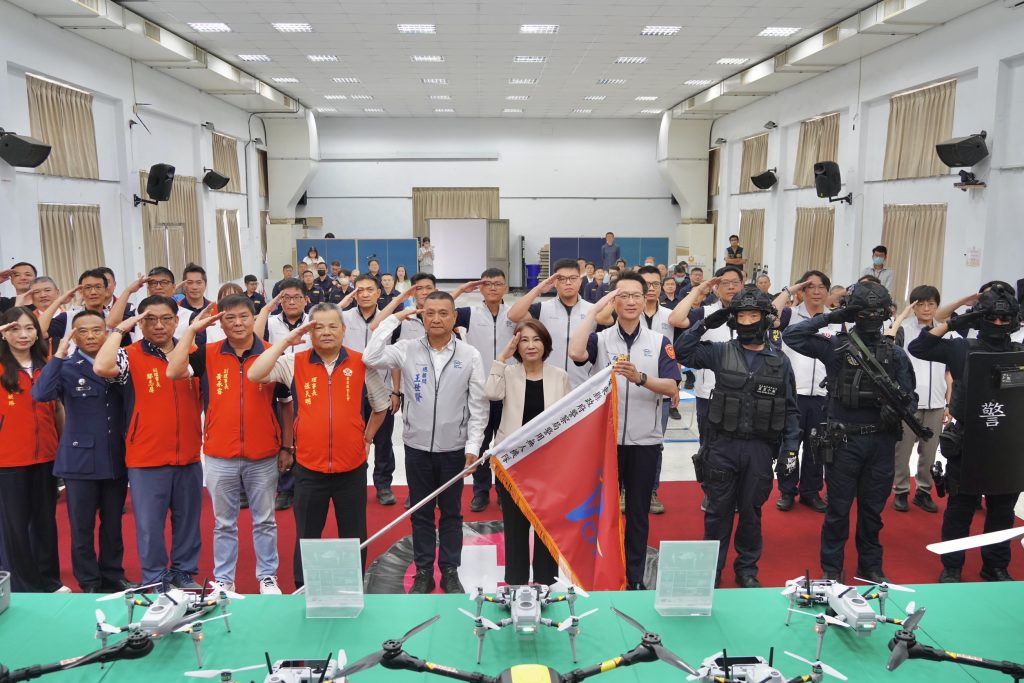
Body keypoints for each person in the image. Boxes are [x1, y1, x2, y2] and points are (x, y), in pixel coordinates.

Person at [783, 281, 916, 583]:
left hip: (881, 440)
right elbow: (792, 335)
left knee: (872, 511)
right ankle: (832, 567)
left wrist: (896, 409)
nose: (870, 317)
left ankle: (870, 565)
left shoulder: (895, 354)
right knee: (838, 509)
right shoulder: (836, 346)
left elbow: (910, 396)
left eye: (876, 312)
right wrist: (832, 317)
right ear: (854, 312)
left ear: (885, 313)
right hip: (844, 441)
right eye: (863, 311)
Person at [249, 304, 389, 586]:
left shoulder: (360, 362)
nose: (326, 332)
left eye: (332, 326)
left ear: (344, 330)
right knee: (307, 534)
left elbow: (381, 405)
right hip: (309, 468)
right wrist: (286, 342)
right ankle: (303, 588)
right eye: (318, 327)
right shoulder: (294, 362)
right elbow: (255, 373)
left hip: (351, 468)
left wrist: (367, 437)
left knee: (354, 534)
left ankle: (353, 587)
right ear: (309, 331)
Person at [166, 295, 294, 594]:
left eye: (243, 316)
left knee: (265, 520)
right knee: (223, 523)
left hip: (263, 453)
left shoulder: (271, 353)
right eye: (229, 318)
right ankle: (224, 579)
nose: (237, 323)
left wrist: (287, 446)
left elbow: (286, 404)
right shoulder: (207, 354)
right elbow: (173, 371)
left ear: (254, 318)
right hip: (219, 453)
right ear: (220, 323)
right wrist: (190, 331)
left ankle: (267, 576)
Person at [363, 291, 488, 594]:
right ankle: (423, 571)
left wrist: (473, 447)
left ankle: (449, 570)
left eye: (443, 313)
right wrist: (394, 318)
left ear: (454, 317)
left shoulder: (469, 355)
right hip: (417, 447)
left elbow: (478, 405)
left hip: (454, 449)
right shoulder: (406, 349)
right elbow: (370, 357)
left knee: (452, 513)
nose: (436, 319)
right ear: (421, 316)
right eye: (429, 312)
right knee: (421, 512)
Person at [677, 285, 800, 588]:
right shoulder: (721, 352)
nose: (746, 321)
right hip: (722, 447)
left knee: (751, 513)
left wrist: (790, 450)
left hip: (760, 450)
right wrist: (706, 323)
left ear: (764, 318)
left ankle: (746, 569)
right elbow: (682, 351)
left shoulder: (779, 361)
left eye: (752, 315)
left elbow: (790, 409)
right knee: (717, 513)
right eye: (741, 316)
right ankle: (711, 572)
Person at [569, 273, 681, 590]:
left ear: (645, 299)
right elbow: (576, 353)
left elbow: (672, 386)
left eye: (636, 296)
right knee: (602, 512)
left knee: (638, 513)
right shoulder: (602, 340)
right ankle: (600, 571)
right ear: (614, 301)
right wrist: (594, 312)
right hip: (605, 442)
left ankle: (634, 577)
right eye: (623, 296)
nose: (630, 302)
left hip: (644, 442)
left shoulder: (660, 342)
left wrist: (640, 378)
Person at [908, 281, 1022, 583]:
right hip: (968, 442)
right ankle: (952, 566)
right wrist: (955, 322)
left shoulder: (1019, 352)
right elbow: (919, 347)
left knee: (1002, 512)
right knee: (960, 510)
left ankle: (995, 565)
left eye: (1005, 319)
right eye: (992, 318)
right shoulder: (962, 348)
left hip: (1007, 445)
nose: (999, 324)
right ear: (981, 318)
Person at [94, 295, 204, 589]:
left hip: (189, 454)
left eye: (166, 319)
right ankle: (155, 578)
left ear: (177, 321)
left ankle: (183, 572)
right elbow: (101, 367)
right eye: (150, 319)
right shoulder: (128, 355)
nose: (158, 325)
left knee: (188, 521)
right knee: (150, 525)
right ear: (140, 323)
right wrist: (120, 329)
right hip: (146, 456)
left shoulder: (192, 353)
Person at [33, 310, 130, 593]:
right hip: (80, 459)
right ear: (74, 336)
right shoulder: (66, 366)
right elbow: (41, 394)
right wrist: (58, 356)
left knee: (113, 524)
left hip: (115, 455)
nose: (90, 336)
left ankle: (112, 575)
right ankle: (89, 581)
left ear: (107, 333)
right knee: (82, 526)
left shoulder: (120, 362)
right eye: (82, 331)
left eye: (96, 330)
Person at [485, 320, 567, 585]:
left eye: (537, 339)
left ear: (546, 344)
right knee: (515, 529)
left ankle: (546, 583)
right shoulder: (508, 373)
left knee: (547, 528)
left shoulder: (560, 376)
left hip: (549, 466)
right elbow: (491, 393)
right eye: (524, 340)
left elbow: (567, 422)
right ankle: (516, 584)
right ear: (516, 346)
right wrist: (501, 358)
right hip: (513, 464)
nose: (531, 346)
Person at [0, 308, 65, 593]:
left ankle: (49, 580)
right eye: (14, 329)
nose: (23, 335)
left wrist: (63, 446)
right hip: (9, 459)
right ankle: (24, 585)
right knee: (15, 526)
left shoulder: (47, 365)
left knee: (45, 521)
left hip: (47, 456)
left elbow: (58, 409)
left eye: (29, 328)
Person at [451, 269, 518, 513]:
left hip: (508, 389)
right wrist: (461, 289)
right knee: (479, 442)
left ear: (506, 287)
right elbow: (439, 307)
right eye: (487, 284)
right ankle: (480, 491)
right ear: (480, 288)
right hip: (479, 390)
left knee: (505, 443)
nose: (492, 288)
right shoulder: (469, 314)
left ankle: (503, 489)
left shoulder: (515, 314)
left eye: (498, 284)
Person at [771, 271, 837, 513]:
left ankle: (811, 491)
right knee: (789, 446)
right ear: (803, 291)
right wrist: (789, 291)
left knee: (817, 447)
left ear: (828, 291)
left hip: (824, 396)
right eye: (811, 287)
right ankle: (787, 490)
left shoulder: (836, 320)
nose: (816, 292)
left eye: (821, 287)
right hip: (793, 394)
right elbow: (769, 314)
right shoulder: (790, 316)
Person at [886, 286, 950, 514]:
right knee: (902, 450)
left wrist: (948, 403)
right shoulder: (904, 329)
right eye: (920, 304)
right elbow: (889, 347)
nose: (926, 309)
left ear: (937, 306)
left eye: (931, 304)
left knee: (929, 452)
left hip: (936, 402)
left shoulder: (946, 331)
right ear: (913, 307)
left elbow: (949, 372)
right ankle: (901, 490)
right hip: (909, 403)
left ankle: (923, 491)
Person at [340, 275, 400, 507]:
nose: (364, 294)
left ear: (378, 293)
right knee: (353, 441)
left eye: (369, 290)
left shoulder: (389, 321)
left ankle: (383, 485)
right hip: (349, 391)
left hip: (381, 389)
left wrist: (395, 391)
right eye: (359, 290)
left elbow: (395, 357)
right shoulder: (343, 317)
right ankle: (355, 484)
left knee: (383, 442)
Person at [507, 258, 595, 388]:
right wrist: (538, 289)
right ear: (554, 282)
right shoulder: (542, 308)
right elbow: (513, 315)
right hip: (548, 384)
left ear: (580, 281)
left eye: (573, 278)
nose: (568, 282)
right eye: (562, 279)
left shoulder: (593, 310)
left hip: (583, 385)